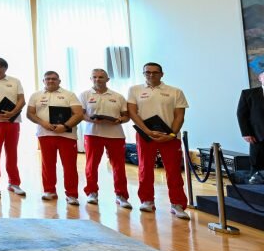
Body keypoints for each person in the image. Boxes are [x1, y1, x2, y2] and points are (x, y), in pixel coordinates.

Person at [127, 62, 190, 220]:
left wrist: (171, 134)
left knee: (173, 171)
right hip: (145, 136)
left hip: (169, 137)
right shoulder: (134, 90)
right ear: (144, 74)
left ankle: (177, 204)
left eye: (155, 72)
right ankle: (147, 200)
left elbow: (179, 116)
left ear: (162, 74)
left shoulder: (175, 91)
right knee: (145, 168)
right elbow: (133, 113)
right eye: (147, 72)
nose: (151, 75)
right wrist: (147, 131)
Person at [26, 71, 84, 205]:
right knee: (47, 164)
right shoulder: (36, 95)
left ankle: (72, 194)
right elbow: (30, 114)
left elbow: (79, 114)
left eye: (53, 79)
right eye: (47, 79)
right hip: (45, 134)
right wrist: (43, 123)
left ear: (59, 81)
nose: (50, 81)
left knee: (69, 166)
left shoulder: (69, 95)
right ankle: (49, 191)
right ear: (43, 81)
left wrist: (65, 126)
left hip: (67, 135)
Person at [81, 68, 131, 208]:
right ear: (91, 79)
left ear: (107, 79)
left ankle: (121, 195)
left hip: (116, 135)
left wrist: (120, 120)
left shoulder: (118, 96)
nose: (97, 79)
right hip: (93, 134)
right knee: (91, 165)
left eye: (101, 77)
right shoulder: (84, 95)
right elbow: (81, 114)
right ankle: (92, 192)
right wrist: (91, 120)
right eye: (95, 77)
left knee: (119, 166)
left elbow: (126, 116)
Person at [0, 58, 27, 196]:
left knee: (12, 152)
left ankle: (14, 183)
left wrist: (13, 112)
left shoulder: (15, 81)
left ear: (6, 68)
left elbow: (22, 100)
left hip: (12, 122)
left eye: (2, 67)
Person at [236, 72, 264, 184]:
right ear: (260, 78)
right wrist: (246, 133)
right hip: (258, 136)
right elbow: (241, 114)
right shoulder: (248, 94)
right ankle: (254, 187)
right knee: (257, 163)